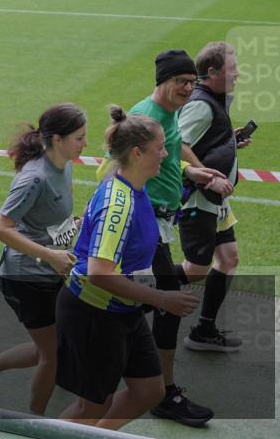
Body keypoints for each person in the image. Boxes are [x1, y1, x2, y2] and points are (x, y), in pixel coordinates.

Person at [57, 107, 199, 431]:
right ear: (137, 153)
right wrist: (162, 299)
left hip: (123, 310)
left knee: (149, 390)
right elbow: (99, 271)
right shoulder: (119, 204)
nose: (166, 154)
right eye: (160, 147)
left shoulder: (134, 185)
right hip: (94, 314)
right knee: (91, 406)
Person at [0, 104, 87, 415]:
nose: (85, 144)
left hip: (48, 270)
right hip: (25, 278)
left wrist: (75, 225)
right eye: (80, 137)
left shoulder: (64, 164)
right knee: (51, 353)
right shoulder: (34, 178)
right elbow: (0, 228)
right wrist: (50, 254)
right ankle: (33, 423)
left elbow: (46, 221)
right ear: (57, 139)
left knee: (53, 346)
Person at [124, 49, 232, 427]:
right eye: (181, 82)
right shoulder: (145, 117)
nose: (188, 88)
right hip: (145, 223)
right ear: (162, 82)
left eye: (191, 81)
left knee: (140, 301)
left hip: (159, 222)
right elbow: (114, 169)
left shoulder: (168, 115)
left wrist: (194, 172)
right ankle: (164, 393)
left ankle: (88, 345)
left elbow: (166, 158)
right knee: (168, 300)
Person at [179, 42, 248, 352]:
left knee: (228, 258)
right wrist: (206, 175)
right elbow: (176, 145)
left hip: (215, 199)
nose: (238, 74)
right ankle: (125, 296)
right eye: (232, 69)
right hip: (199, 197)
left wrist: (229, 141)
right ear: (212, 72)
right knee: (195, 270)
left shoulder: (215, 101)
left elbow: (203, 140)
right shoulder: (201, 105)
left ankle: (204, 331)